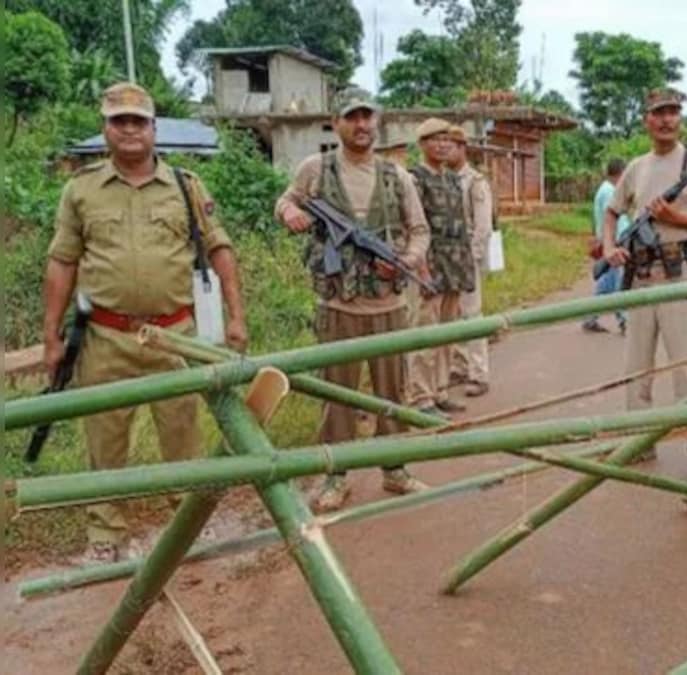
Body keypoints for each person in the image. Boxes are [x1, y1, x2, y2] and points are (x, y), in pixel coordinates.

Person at [44, 83, 247, 561]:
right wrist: (50, 335)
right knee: (105, 440)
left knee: (182, 434)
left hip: (174, 335)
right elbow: (62, 262)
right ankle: (105, 536)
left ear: (154, 129)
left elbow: (219, 248)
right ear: (106, 129)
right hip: (105, 336)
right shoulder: (81, 189)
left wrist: (236, 318)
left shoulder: (186, 186)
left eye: (139, 121)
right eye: (119, 121)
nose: (130, 129)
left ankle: (186, 526)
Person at [275, 88, 432, 512]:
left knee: (391, 394)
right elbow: (287, 200)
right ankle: (335, 476)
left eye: (368, 117)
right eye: (353, 117)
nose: (362, 125)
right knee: (338, 395)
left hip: (387, 306)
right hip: (337, 307)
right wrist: (288, 212)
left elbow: (419, 231)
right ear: (336, 122)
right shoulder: (316, 169)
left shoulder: (397, 176)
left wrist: (405, 260)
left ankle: (394, 470)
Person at [602, 88, 687, 476]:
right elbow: (611, 212)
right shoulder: (636, 168)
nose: (666, 119)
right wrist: (610, 247)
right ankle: (637, 441)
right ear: (646, 119)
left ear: (681, 118)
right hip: (641, 277)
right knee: (635, 368)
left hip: (683, 277)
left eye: (673, 112)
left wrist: (677, 218)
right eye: (659, 112)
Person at [407, 118, 477, 415]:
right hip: (429, 266)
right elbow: (413, 228)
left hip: (454, 265)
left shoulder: (451, 179)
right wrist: (422, 272)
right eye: (435, 139)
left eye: (447, 139)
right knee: (425, 334)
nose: (443, 144)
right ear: (422, 144)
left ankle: (439, 390)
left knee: (447, 333)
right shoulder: (415, 179)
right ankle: (420, 397)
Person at [447, 125, 494, 397]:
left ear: (462, 148)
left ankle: (479, 373)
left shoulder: (475, 181)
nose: (445, 150)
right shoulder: (443, 178)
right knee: (452, 315)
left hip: (466, 256)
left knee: (472, 316)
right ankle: (459, 366)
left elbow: (483, 226)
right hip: (446, 258)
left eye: (450, 145)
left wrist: (473, 258)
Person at [583, 159, 630, 334]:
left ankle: (591, 317)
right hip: (614, 244)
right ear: (620, 174)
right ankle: (624, 320)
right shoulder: (610, 192)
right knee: (618, 283)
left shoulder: (606, 190)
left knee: (607, 285)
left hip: (610, 243)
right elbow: (611, 220)